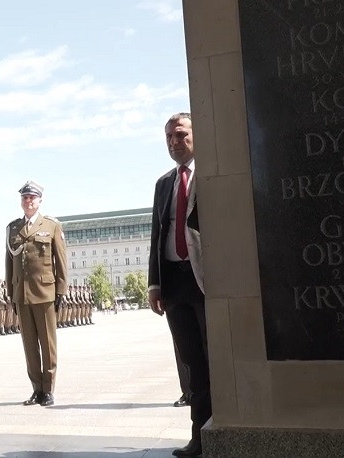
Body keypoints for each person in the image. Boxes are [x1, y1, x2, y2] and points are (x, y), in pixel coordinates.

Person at [148, 112, 209, 458]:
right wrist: (154, 284)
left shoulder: (210, 174)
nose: (174, 142)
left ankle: (220, 431)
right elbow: (158, 235)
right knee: (192, 362)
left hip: (206, 281)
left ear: (196, 136)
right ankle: (199, 437)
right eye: (169, 136)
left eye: (181, 134)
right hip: (174, 284)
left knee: (214, 357)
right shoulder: (163, 184)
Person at [5, 180, 68, 407]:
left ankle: (49, 389)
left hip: (45, 292)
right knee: (29, 345)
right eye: (25, 197)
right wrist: (11, 292)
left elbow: (60, 261)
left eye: (32, 197)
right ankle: (36, 389)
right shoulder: (12, 228)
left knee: (48, 344)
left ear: (40, 200)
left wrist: (61, 290)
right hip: (21, 294)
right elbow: (9, 263)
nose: (28, 201)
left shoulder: (51, 225)